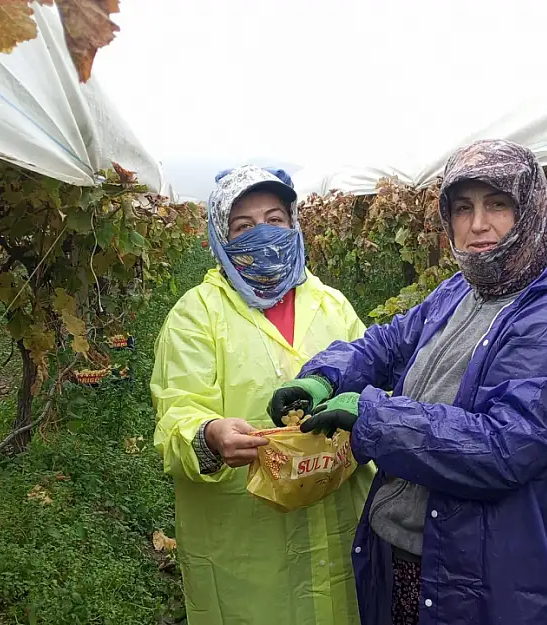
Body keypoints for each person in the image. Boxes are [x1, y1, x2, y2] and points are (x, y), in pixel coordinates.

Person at [268, 140, 547, 625]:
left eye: (498, 204)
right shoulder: (464, 289)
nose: (478, 224)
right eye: (463, 208)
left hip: (505, 578)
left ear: (534, 210)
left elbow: (504, 447)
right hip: (427, 557)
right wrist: (323, 378)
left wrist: (373, 416)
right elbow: (390, 343)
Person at [151, 165, 375, 625]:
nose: (263, 235)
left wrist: (365, 408)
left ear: (294, 224)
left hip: (338, 519)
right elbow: (178, 412)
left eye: (275, 219)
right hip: (246, 543)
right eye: (243, 226)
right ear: (220, 237)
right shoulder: (196, 315)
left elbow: (373, 379)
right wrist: (209, 435)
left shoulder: (332, 305)